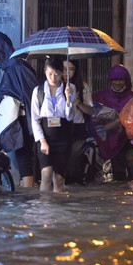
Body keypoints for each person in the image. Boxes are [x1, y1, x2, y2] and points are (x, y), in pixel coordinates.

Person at [0, 31, 39, 188]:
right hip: (15, 119)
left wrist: (32, 124)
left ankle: (28, 190)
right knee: (22, 157)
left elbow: (32, 95)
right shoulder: (13, 67)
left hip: (21, 120)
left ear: (0, 49)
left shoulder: (18, 67)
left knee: (24, 158)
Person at [31, 57, 79, 192]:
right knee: (46, 175)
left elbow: (70, 116)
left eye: (57, 74)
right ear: (45, 71)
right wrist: (42, 141)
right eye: (50, 73)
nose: (53, 77)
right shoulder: (38, 91)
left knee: (59, 179)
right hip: (44, 136)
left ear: (62, 73)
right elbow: (34, 119)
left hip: (63, 137)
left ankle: (58, 210)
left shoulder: (70, 88)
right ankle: (44, 210)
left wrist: (69, 99)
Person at [91, 64, 133, 182]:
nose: (117, 83)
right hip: (109, 142)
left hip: (129, 142)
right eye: (114, 79)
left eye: (120, 79)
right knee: (118, 173)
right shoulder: (100, 97)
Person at [63, 58, 96, 185]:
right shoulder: (55, 86)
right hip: (60, 128)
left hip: (77, 127)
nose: (67, 73)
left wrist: (79, 103)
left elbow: (92, 111)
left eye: (70, 69)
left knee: (74, 163)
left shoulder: (83, 86)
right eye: (64, 69)